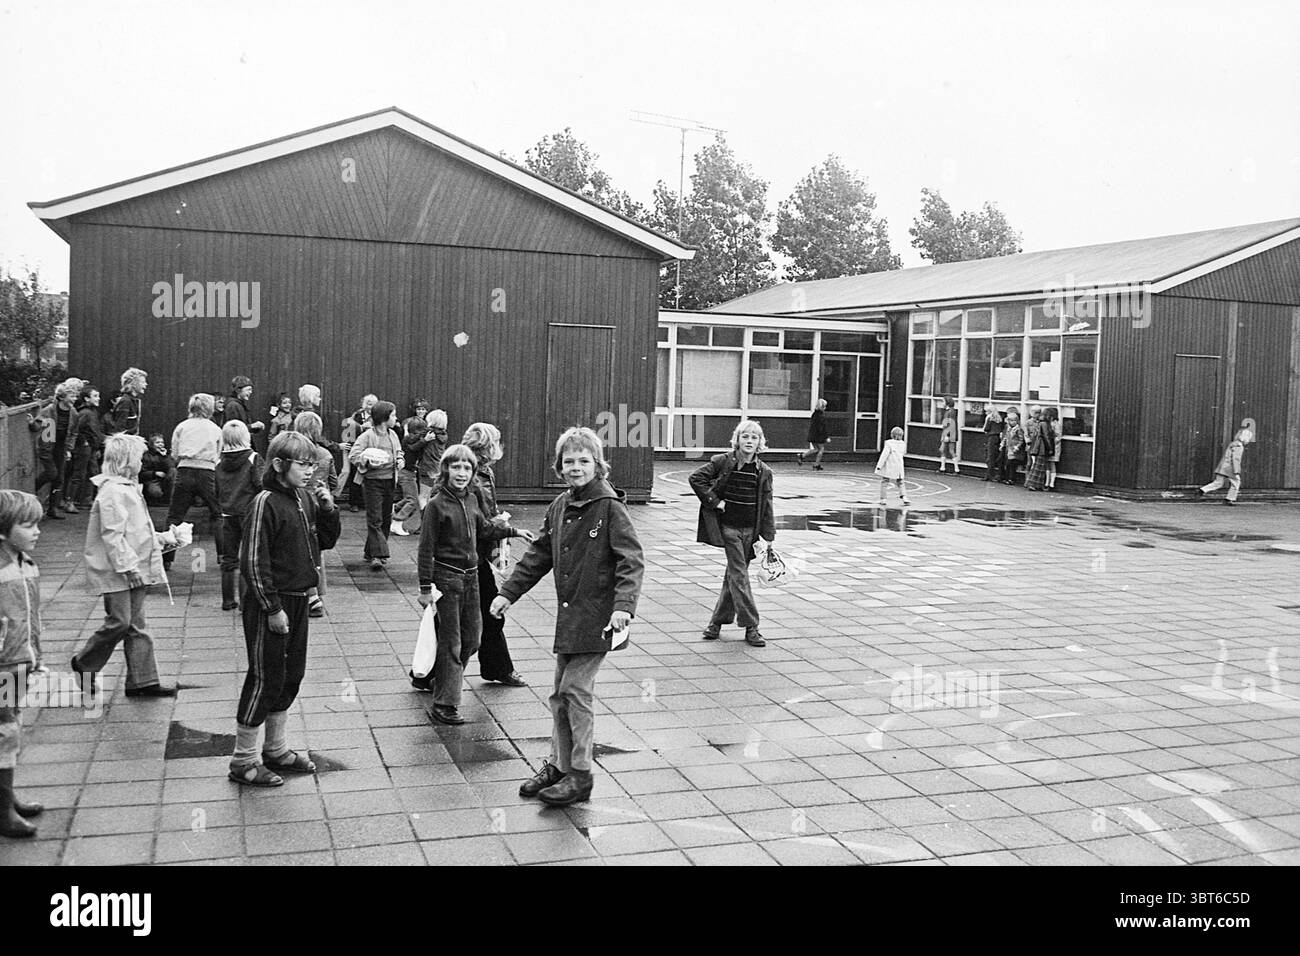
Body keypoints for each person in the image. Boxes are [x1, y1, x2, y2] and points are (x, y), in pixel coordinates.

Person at [491, 427, 644, 806]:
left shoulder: (610, 508)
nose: (576, 468)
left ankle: (580, 775)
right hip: (569, 617)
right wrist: (508, 593)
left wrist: (624, 607)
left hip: (601, 618)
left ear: (598, 465)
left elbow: (631, 560)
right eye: (569, 461)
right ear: (560, 467)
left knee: (575, 691)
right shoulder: (561, 505)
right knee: (559, 694)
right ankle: (559, 767)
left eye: (584, 461)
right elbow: (539, 554)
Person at [229, 431, 341, 787]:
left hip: (297, 600)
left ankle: (275, 749)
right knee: (265, 677)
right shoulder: (264, 502)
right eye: (303, 464)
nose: (310, 471)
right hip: (271, 605)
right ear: (279, 465)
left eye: (313, 464)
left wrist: (327, 509)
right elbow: (252, 560)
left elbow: (325, 541)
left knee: (291, 676)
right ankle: (243, 760)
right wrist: (271, 607)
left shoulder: (304, 498)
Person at [415, 445, 526, 722]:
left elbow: (485, 529)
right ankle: (445, 703)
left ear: (473, 472)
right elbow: (425, 548)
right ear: (446, 469)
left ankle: (442, 683)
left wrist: (513, 530)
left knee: (473, 639)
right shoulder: (437, 505)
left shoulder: (471, 500)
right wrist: (425, 588)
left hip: (472, 578)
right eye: (456, 467)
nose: (462, 473)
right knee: (451, 642)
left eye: (467, 468)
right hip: (447, 580)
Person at [74, 434, 182, 699]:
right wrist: (129, 567)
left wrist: (162, 539)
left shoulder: (125, 488)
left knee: (135, 624)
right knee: (120, 622)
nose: (140, 462)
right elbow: (113, 535)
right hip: (119, 569)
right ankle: (85, 663)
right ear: (126, 460)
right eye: (137, 457)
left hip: (129, 566)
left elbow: (133, 530)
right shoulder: (113, 491)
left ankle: (142, 681)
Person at [690, 420, 776, 648]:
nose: (749, 441)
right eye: (745, 436)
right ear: (737, 440)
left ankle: (716, 623)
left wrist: (768, 536)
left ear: (760, 443)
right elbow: (696, 478)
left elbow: (767, 504)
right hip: (729, 529)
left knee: (733, 577)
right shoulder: (723, 461)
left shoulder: (764, 471)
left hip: (751, 531)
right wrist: (715, 502)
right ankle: (752, 626)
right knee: (739, 575)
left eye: (754, 437)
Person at [463, 422, 529, 687]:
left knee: (465, 615)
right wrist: (504, 528)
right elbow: (479, 521)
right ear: (488, 446)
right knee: (489, 611)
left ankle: (429, 673)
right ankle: (498, 667)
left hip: (473, 554)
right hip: (471, 556)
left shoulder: (481, 472)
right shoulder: (478, 476)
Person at [0, 490, 46, 838]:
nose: (36, 532)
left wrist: (36, 658)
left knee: (10, 729)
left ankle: (7, 797)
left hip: (18, 663)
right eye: (27, 525)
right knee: (3, 732)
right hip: (3, 666)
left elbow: (31, 620)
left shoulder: (26, 565)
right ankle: (3, 811)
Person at [163, 394, 223, 569]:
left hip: (185, 470)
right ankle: (223, 556)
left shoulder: (182, 426)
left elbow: (174, 453)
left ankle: (167, 559)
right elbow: (218, 454)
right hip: (207, 472)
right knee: (218, 514)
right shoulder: (215, 429)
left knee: (175, 515)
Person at [215, 421, 264, 611]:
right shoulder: (253, 458)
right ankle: (246, 602)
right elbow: (260, 483)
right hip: (249, 513)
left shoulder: (219, 461)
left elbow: (216, 488)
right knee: (248, 557)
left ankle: (228, 600)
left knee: (229, 559)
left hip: (227, 513)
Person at [349, 400, 403, 571]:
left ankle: (370, 551)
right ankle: (378, 555)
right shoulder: (366, 436)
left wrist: (400, 459)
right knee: (375, 518)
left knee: (386, 517)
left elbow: (399, 451)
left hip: (390, 481)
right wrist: (365, 459)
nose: (396, 418)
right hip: (373, 482)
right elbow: (354, 455)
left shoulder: (393, 435)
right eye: (393, 415)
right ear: (384, 417)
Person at [291, 411, 336, 618]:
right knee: (316, 548)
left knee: (298, 548)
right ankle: (316, 591)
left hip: (296, 501)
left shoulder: (291, 453)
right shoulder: (325, 455)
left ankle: (310, 594)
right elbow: (334, 482)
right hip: (319, 502)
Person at [393, 399, 434, 536]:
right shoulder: (410, 441)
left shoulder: (407, 437)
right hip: (406, 473)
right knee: (412, 500)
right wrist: (425, 440)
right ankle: (397, 521)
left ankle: (395, 508)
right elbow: (412, 448)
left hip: (408, 472)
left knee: (411, 498)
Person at [1198, 418, 1256, 506]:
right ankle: (1229, 499)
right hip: (1230, 468)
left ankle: (1202, 490)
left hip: (1223, 466)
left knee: (1218, 483)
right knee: (1236, 483)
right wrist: (1236, 470)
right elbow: (1236, 459)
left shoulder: (1233, 443)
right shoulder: (1239, 446)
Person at [67, 383, 105, 511]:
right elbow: (75, 429)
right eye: (95, 396)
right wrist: (83, 442)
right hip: (84, 447)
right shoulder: (85, 413)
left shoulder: (92, 412)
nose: (98, 398)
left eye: (98, 396)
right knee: (79, 474)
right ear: (86, 399)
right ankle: (70, 502)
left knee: (93, 473)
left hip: (92, 447)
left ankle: (86, 500)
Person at [338, 393, 377, 513]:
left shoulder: (377, 415)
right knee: (355, 475)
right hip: (357, 447)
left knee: (369, 475)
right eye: (368, 404)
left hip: (371, 447)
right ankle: (353, 502)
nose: (370, 407)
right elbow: (348, 430)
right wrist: (361, 428)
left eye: (372, 404)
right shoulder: (357, 415)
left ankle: (365, 501)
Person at [419, 410, 450, 506]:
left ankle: (425, 517)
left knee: (423, 496)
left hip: (427, 466)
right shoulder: (443, 435)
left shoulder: (429, 434)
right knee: (432, 495)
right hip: (438, 467)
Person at [874, 427, 911, 506]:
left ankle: (883, 499)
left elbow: (884, 455)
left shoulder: (888, 443)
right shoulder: (903, 444)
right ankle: (904, 497)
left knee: (885, 481)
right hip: (899, 466)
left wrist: (879, 466)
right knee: (900, 482)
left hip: (890, 466)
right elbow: (903, 453)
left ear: (892, 435)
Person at [105, 367, 147, 436]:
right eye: (142, 382)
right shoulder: (125, 401)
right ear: (133, 384)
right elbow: (119, 429)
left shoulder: (134, 401)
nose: (146, 384)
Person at [139, 433, 176, 504]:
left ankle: (169, 499)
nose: (160, 444)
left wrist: (164, 457)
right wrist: (155, 473)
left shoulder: (166, 455)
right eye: (157, 442)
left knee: (173, 471)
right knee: (155, 493)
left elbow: (171, 467)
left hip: (165, 480)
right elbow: (141, 473)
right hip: (152, 480)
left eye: (162, 442)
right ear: (152, 444)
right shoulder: (146, 456)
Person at [797, 399, 829, 470]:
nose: (825, 408)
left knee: (815, 449)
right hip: (818, 436)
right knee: (821, 449)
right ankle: (816, 464)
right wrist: (826, 437)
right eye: (825, 406)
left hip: (812, 435)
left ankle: (802, 455)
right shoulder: (821, 416)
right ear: (822, 407)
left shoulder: (814, 414)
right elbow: (822, 428)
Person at [1000, 409, 1026, 484]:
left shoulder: (1018, 429)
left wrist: (1017, 447)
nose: (1013, 422)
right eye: (1011, 420)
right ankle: (1007, 478)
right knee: (1008, 464)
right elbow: (1005, 437)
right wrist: (1002, 444)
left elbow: (1021, 440)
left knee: (1012, 465)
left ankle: (1012, 479)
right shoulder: (1008, 429)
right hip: (1009, 449)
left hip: (1014, 450)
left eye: (1015, 420)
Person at [982, 406, 1004, 482]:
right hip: (998, 438)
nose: (985, 413)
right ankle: (997, 474)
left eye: (987, 411)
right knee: (996, 456)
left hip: (991, 437)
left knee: (990, 456)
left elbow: (986, 429)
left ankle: (989, 475)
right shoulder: (999, 419)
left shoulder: (989, 418)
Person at [1044, 408, 1063, 491]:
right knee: (1047, 464)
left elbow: (1058, 436)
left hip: (1053, 447)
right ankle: (1047, 482)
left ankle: (1052, 483)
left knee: (1052, 464)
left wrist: (1051, 441)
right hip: (1048, 446)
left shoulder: (1056, 424)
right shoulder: (1047, 424)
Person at [937, 402, 959, 474]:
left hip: (947, 432)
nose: (942, 403)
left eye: (943, 401)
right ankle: (955, 469)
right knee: (949, 450)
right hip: (950, 433)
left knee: (943, 450)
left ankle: (944, 468)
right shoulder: (952, 411)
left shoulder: (949, 412)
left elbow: (949, 423)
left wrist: (947, 435)